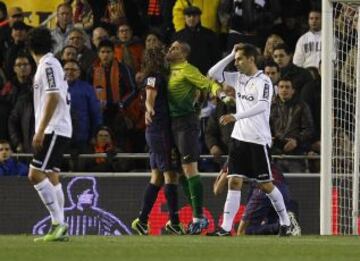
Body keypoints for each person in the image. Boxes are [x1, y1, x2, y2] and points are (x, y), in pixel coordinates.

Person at [207, 43, 292, 236]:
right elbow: (212, 73)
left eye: (239, 59)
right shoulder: (238, 78)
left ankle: (286, 222)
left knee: (265, 185)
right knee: (234, 181)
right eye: (235, 60)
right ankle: (225, 228)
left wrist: (235, 116)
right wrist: (230, 54)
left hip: (257, 140)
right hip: (238, 138)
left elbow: (262, 106)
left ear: (251, 59)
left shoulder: (263, 81)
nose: (236, 63)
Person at [166, 40, 225, 234]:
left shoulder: (187, 69)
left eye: (174, 48)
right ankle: (195, 215)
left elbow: (207, 83)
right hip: (170, 124)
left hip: (186, 123)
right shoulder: (167, 70)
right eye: (170, 47)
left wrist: (221, 94)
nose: (170, 50)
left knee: (189, 168)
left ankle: (199, 217)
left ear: (183, 53)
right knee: (180, 172)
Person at [131, 47, 184, 236]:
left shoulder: (155, 76)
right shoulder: (154, 76)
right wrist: (149, 108)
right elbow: (150, 93)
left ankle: (143, 220)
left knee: (157, 177)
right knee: (171, 175)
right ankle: (175, 222)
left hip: (155, 132)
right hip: (160, 130)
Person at [26, 27, 72, 242]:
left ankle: (58, 223)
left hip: (54, 127)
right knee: (52, 176)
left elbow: (53, 96)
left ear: (30, 47)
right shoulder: (48, 64)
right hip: (59, 127)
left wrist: (41, 130)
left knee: (34, 174)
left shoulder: (49, 64)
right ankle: (61, 228)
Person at [213, 161, 301, 236]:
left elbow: (217, 190)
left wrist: (221, 173)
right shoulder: (261, 150)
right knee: (270, 226)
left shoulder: (235, 156)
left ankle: (283, 225)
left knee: (242, 231)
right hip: (283, 190)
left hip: (263, 189)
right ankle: (285, 224)